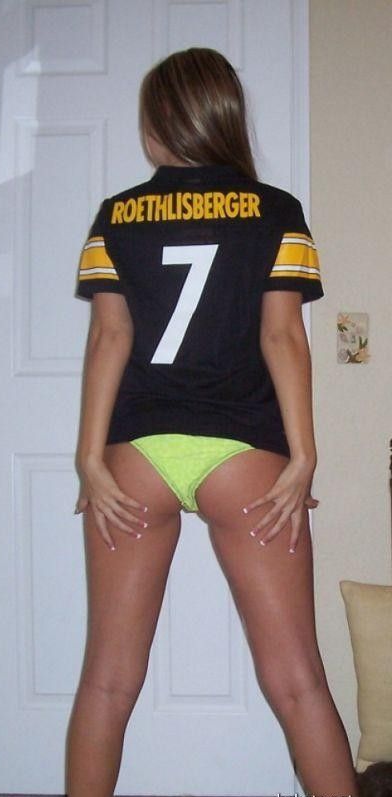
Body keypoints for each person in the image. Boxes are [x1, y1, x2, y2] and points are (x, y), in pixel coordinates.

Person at [66, 47, 359, 797]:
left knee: (106, 682)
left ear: (157, 124)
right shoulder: (276, 211)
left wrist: (89, 458)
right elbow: (283, 338)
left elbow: (109, 339)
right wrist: (304, 455)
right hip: (246, 455)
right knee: (299, 683)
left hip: (138, 454)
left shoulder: (117, 215)